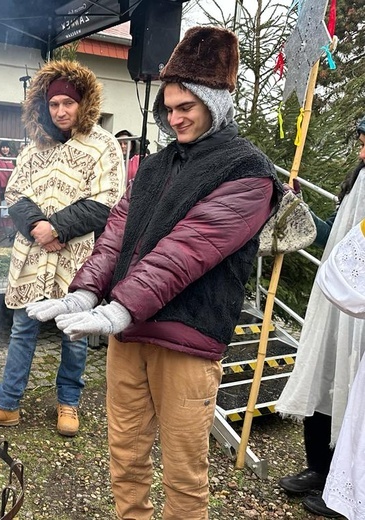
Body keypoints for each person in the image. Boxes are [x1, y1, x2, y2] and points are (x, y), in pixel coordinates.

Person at [26, 26, 280, 519]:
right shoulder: (154, 164)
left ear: (215, 101)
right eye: (169, 107)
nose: (174, 117)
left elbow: (189, 249)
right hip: (130, 333)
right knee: (125, 458)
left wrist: (120, 307)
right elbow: (117, 232)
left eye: (186, 106)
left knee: (184, 475)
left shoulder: (247, 170)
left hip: (186, 337)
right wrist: (84, 293)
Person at [0, 60, 126, 436]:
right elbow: (14, 193)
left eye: (68, 103)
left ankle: (68, 402)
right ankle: (7, 404)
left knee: (75, 332)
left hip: (76, 255)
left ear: (83, 102)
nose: (61, 111)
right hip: (33, 254)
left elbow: (106, 202)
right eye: (53, 104)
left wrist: (57, 227)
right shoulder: (35, 147)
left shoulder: (102, 146)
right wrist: (39, 227)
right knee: (23, 328)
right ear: (44, 105)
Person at [276, 116, 365, 519]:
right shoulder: (357, 182)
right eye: (360, 141)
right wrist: (300, 207)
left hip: (358, 304)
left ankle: (348, 486)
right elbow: (335, 235)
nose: (361, 150)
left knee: (350, 383)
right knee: (322, 374)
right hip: (333, 296)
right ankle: (320, 469)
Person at [0, 141, 15, 226]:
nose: (5, 149)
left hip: (10, 186)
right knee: (0, 204)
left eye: (7, 147)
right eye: (3, 147)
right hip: (0, 186)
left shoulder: (14, 158)